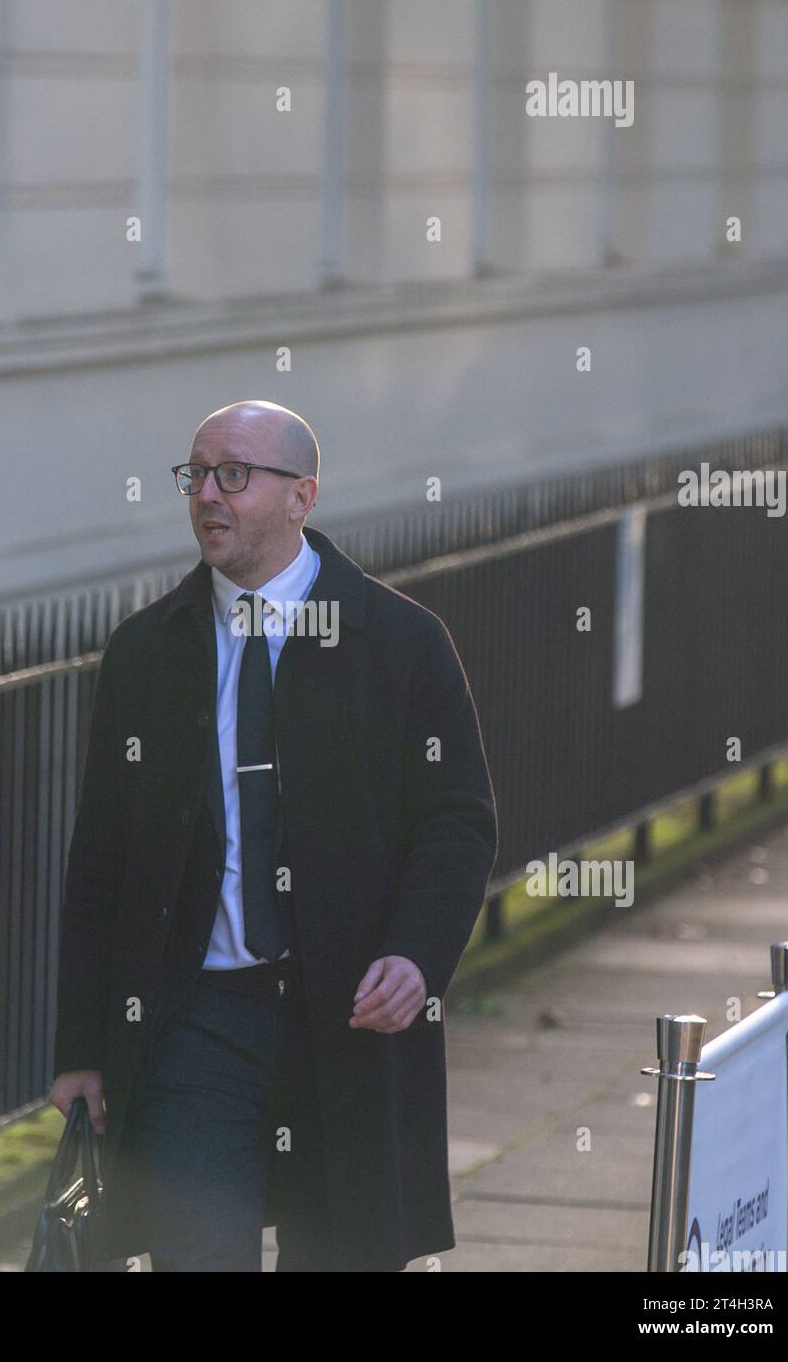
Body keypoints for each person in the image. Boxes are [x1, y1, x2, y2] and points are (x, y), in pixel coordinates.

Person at [49, 399, 498, 1271]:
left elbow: (458, 823)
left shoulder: (402, 643)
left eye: (235, 475)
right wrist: (81, 1051)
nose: (208, 495)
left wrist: (415, 954)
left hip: (347, 1020)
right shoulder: (146, 652)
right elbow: (99, 861)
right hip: (196, 1025)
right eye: (198, 474)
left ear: (304, 496)